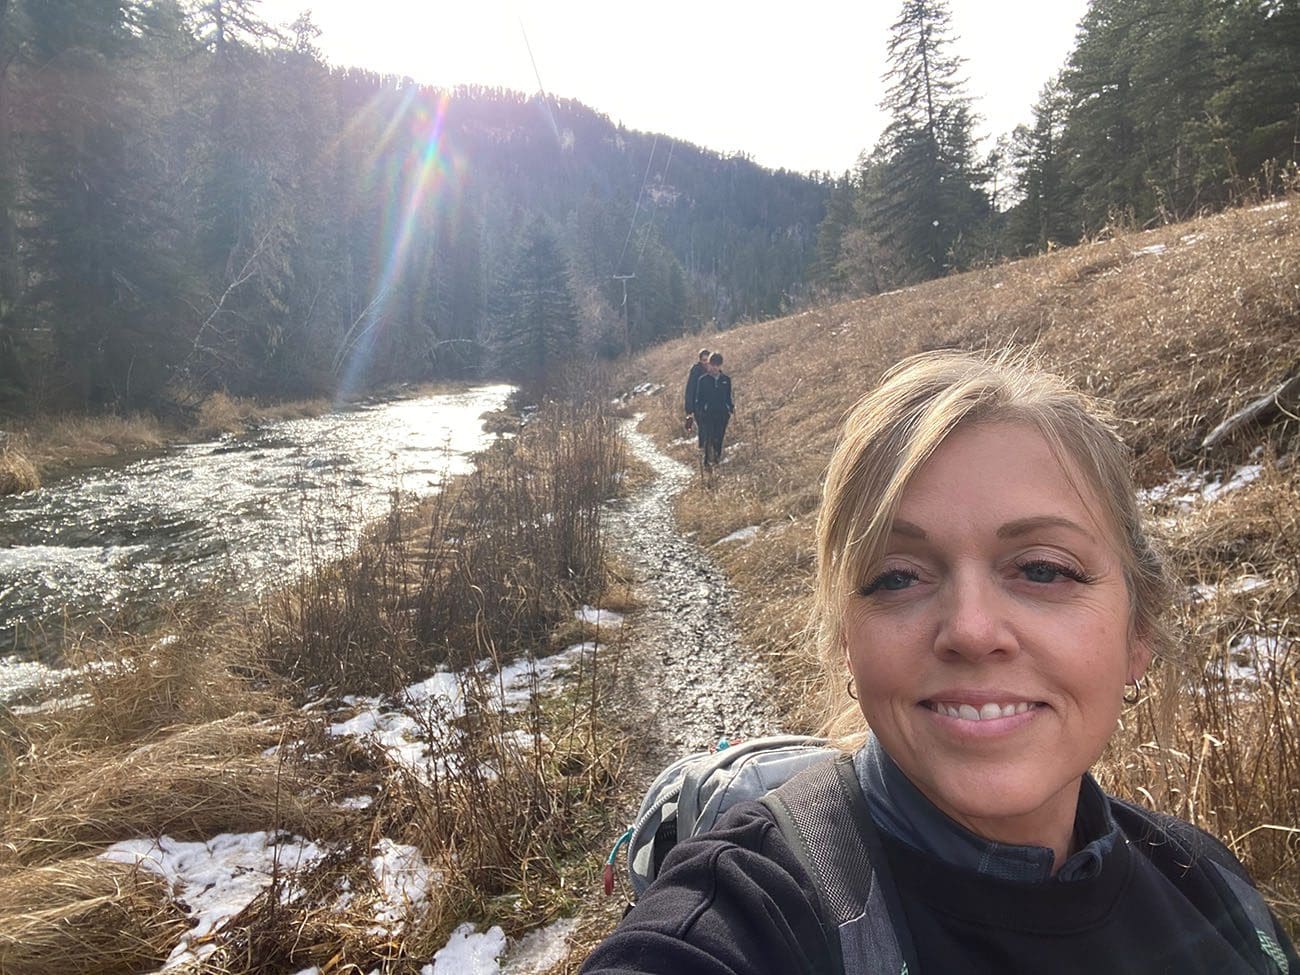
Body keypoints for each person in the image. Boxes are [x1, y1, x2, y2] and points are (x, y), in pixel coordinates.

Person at [582, 350, 1297, 974]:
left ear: (1137, 630)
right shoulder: (744, 913)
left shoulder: (1215, 892)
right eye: (896, 576)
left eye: (1044, 570)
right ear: (845, 644)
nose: (972, 629)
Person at [693, 352, 733, 469]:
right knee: (709, 437)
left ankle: (716, 459)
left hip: (722, 414)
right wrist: (700, 412)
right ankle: (707, 462)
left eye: (718, 365)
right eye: (713, 364)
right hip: (708, 414)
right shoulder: (703, 380)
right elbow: (699, 399)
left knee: (719, 437)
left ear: (720, 365)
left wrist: (730, 408)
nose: (715, 367)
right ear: (709, 365)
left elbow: (728, 397)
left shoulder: (726, 380)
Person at [684, 348, 710, 445]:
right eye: (704, 360)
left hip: (712, 405)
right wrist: (689, 410)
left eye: (708, 360)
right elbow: (690, 390)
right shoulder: (695, 371)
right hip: (698, 406)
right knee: (703, 429)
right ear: (700, 360)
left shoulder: (715, 370)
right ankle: (703, 450)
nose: (706, 362)